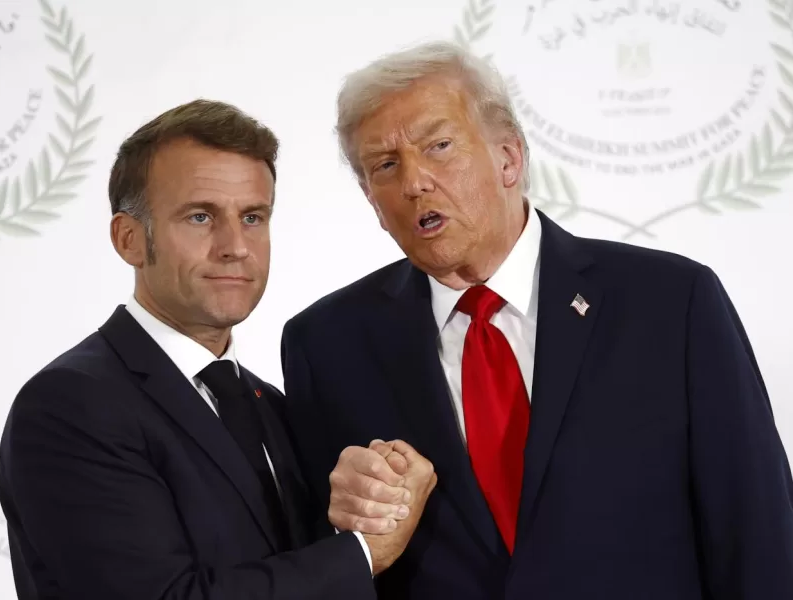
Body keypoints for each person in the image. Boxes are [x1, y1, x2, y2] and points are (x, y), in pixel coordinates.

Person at [279, 41, 793, 599]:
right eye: (385, 165)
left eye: (440, 145)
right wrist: (348, 529)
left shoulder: (672, 302)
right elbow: (323, 558)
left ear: (509, 157)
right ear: (370, 199)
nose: (414, 182)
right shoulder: (326, 344)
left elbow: (757, 534)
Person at [0, 99, 437, 599]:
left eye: (253, 217)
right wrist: (362, 553)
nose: (235, 246)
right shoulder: (69, 406)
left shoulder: (269, 404)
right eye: (201, 216)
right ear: (128, 239)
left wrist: (370, 501)